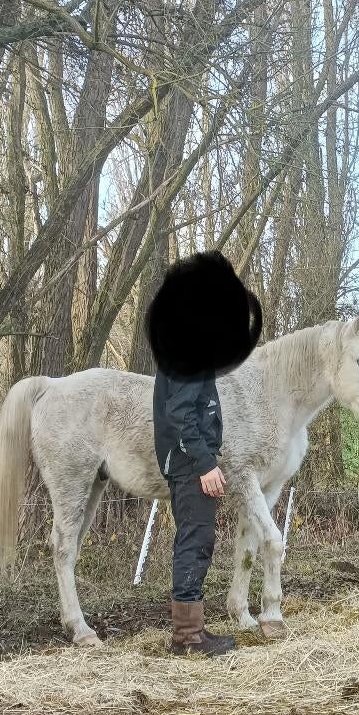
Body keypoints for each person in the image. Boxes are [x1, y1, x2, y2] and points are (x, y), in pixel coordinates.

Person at [146, 251, 262, 657]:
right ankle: (187, 638)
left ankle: (189, 631)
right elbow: (180, 415)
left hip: (187, 462)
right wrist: (205, 464)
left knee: (197, 538)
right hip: (189, 465)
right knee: (196, 540)